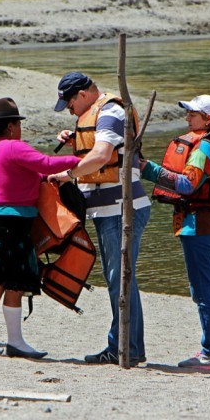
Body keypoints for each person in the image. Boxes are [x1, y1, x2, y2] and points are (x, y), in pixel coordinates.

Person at [48, 72, 151, 366]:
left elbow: (104, 154)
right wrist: (78, 141)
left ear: (82, 94)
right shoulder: (102, 114)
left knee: (121, 281)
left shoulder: (111, 112)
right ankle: (129, 347)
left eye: (69, 103)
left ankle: (124, 349)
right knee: (120, 279)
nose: (69, 110)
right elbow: (100, 150)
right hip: (111, 210)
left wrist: (67, 174)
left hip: (121, 209)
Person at [140, 94, 210, 372]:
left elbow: (187, 185)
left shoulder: (205, 147)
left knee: (203, 292)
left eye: (192, 114)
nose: (187, 118)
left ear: (208, 119)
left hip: (199, 226)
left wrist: (145, 168)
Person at [0, 97, 81, 358]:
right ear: (11, 127)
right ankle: (15, 342)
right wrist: (81, 160)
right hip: (12, 225)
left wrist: (47, 175)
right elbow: (45, 164)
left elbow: (30, 173)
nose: (20, 129)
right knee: (15, 284)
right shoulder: (13, 146)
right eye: (18, 124)